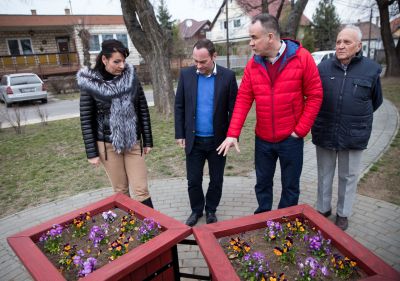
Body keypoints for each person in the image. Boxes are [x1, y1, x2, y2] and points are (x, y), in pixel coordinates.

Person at [217, 14, 323, 214]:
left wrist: (299, 131)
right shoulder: (253, 64)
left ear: (271, 37)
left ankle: (285, 221)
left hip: (291, 138)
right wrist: (232, 133)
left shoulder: (302, 58)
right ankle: (263, 219)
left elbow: (315, 95)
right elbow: (243, 100)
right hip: (263, 139)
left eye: (254, 37)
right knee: (262, 183)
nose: (251, 43)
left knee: (290, 186)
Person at [311, 25, 383, 230]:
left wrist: (356, 117)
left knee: (348, 176)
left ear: (358, 46)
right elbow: (315, 98)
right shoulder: (323, 68)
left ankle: (343, 213)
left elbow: (376, 101)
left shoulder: (371, 69)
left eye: (347, 42)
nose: (341, 46)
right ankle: (323, 208)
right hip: (325, 128)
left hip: (354, 132)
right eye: (338, 42)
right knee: (324, 173)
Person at [77, 39, 154, 208]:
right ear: (104, 59)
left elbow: (142, 109)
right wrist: (92, 152)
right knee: (121, 191)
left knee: (141, 189)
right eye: (117, 61)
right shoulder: (90, 83)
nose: (122, 65)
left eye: (124, 61)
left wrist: (147, 140)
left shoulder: (131, 77)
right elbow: (86, 120)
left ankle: (154, 229)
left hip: (133, 142)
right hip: (107, 146)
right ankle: (130, 231)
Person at [174, 39, 238, 226]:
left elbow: (234, 109)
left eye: (203, 62)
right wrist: (180, 133)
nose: (198, 65)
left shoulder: (227, 77)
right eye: (195, 61)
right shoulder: (186, 75)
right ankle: (196, 210)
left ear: (214, 56)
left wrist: (232, 136)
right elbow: (179, 106)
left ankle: (211, 210)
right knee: (193, 180)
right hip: (193, 139)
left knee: (216, 179)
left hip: (218, 141)